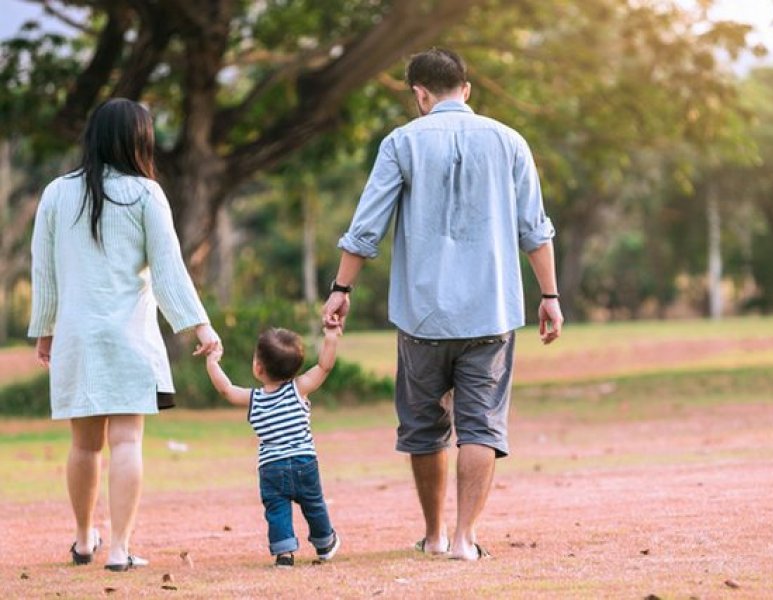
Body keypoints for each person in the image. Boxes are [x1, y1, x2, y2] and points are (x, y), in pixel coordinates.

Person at [322, 47, 564, 561]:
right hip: (491, 312)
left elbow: (367, 228)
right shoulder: (509, 141)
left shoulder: (400, 143)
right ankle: (464, 539)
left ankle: (432, 534)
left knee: (424, 425)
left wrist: (341, 289)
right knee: (480, 425)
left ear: (420, 94)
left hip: (422, 315)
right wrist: (550, 295)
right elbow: (534, 230)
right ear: (467, 90)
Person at [28, 98, 221, 571]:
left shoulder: (56, 193)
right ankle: (119, 549)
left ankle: (82, 539)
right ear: (139, 140)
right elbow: (170, 268)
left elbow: (45, 273)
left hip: (77, 335)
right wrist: (200, 324)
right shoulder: (145, 194)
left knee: (84, 445)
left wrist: (44, 330)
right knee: (127, 443)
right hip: (130, 336)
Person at [204, 326, 342, 567]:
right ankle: (324, 543)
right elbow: (324, 367)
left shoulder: (253, 399)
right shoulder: (299, 389)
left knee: (277, 510)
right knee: (314, 503)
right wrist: (331, 336)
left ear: (258, 368)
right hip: (304, 462)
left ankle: (284, 553)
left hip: (271, 468)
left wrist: (213, 362)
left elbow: (225, 389)